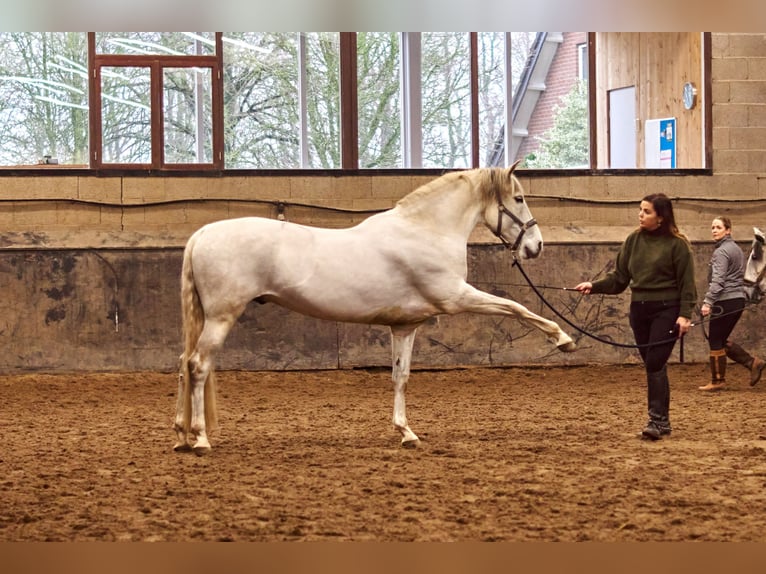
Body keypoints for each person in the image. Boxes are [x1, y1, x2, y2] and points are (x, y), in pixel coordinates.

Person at [574, 193, 697, 441]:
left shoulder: (678, 245)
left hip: (667, 309)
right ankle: (663, 422)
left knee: (654, 362)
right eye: (640, 210)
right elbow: (619, 279)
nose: (641, 215)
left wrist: (685, 315)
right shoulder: (633, 240)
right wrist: (594, 285)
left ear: (661, 218)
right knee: (655, 365)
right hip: (639, 310)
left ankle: (656, 420)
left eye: (647, 211)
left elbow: (687, 284)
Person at [698, 216, 765, 391]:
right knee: (720, 339)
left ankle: (718, 380)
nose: (714, 230)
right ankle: (752, 363)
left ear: (728, 230)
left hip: (725, 299)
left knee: (714, 339)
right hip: (737, 300)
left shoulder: (721, 252)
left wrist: (708, 302)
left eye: (718, 227)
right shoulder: (735, 249)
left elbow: (718, 280)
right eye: (712, 227)